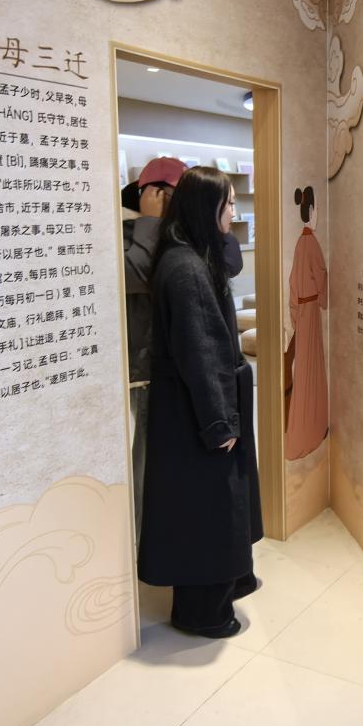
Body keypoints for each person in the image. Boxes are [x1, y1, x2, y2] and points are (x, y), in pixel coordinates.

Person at [137, 167, 262, 639]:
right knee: (207, 511)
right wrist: (219, 423)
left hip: (192, 407)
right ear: (207, 207)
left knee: (213, 506)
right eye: (228, 204)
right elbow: (201, 352)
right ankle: (202, 612)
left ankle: (227, 586)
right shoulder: (186, 268)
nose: (233, 211)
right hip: (195, 413)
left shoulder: (188, 254)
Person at [122, 157, 187, 542]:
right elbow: (134, 275)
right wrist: (149, 221)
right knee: (147, 456)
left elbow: (228, 261)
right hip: (144, 366)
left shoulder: (176, 231)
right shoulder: (125, 228)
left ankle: (167, 530)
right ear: (148, 193)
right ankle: (144, 539)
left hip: (177, 361)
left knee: (170, 453)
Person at [284, 185, 328, 460]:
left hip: (302, 310)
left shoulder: (301, 242)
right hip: (310, 309)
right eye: (317, 210)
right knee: (312, 366)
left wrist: (294, 313)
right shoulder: (311, 243)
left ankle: (308, 427)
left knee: (304, 367)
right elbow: (321, 273)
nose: (318, 215)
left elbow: (292, 283)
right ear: (310, 211)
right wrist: (323, 299)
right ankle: (310, 429)